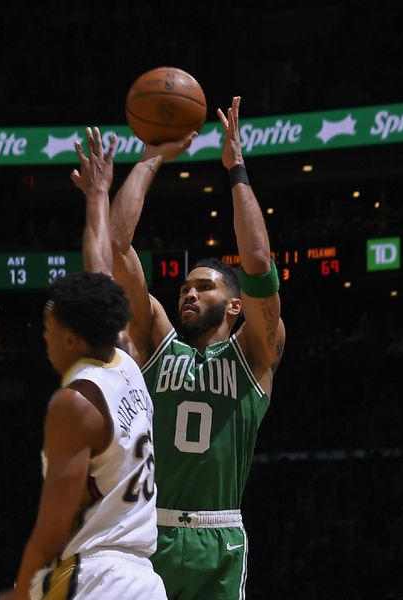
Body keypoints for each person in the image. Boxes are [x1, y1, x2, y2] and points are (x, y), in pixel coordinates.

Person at [110, 97, 286, 598]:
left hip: (220, 535)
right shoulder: (158, 344)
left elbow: (256, 259)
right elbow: (118, 245)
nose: (189, 292)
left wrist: (236, 170)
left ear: (236, 307)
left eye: (204, 287)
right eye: (186, 286)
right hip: (151, 531)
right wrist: (150, 158)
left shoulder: (255, 355)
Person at [2, 128, 166, 600]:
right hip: (143, 581)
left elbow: (55, 525)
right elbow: (102, 276)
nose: (44, 338)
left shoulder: (74, 404)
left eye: (48, 329)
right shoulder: (126, 364)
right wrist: (96, 196)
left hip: (94, 578)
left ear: (72, 337)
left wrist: (21, 590)